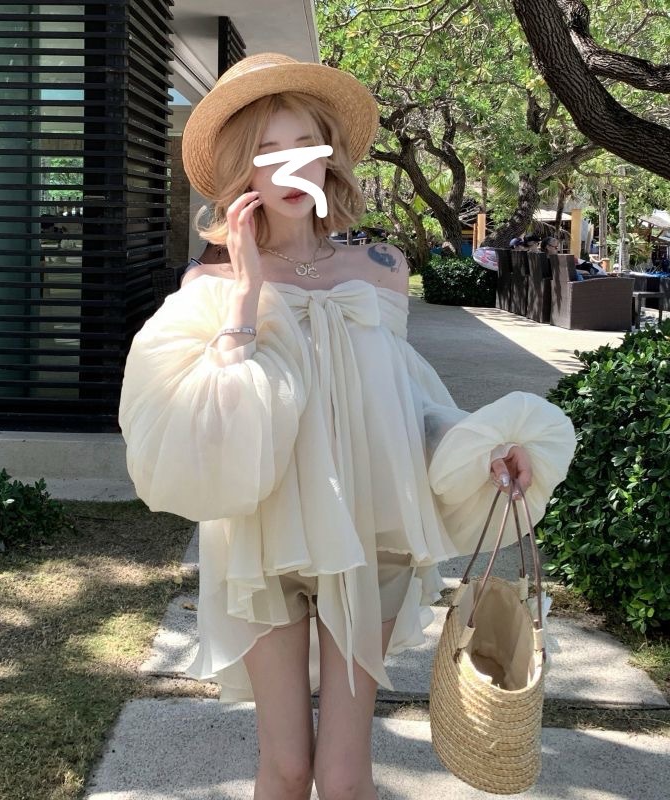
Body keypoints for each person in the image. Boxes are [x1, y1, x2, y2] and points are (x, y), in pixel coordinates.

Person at [118, 53, 575, 800]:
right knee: (286, 767)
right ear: (243, 170)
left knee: (342, 773)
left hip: (368, 538)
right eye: (266, 150)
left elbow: (402, 407)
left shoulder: (381, 270)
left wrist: (483, 449)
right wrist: (246, 296)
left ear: (327, 157)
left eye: (303, 144)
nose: (288, 165)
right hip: (260, 541)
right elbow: (206, 421)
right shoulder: (209, 285)